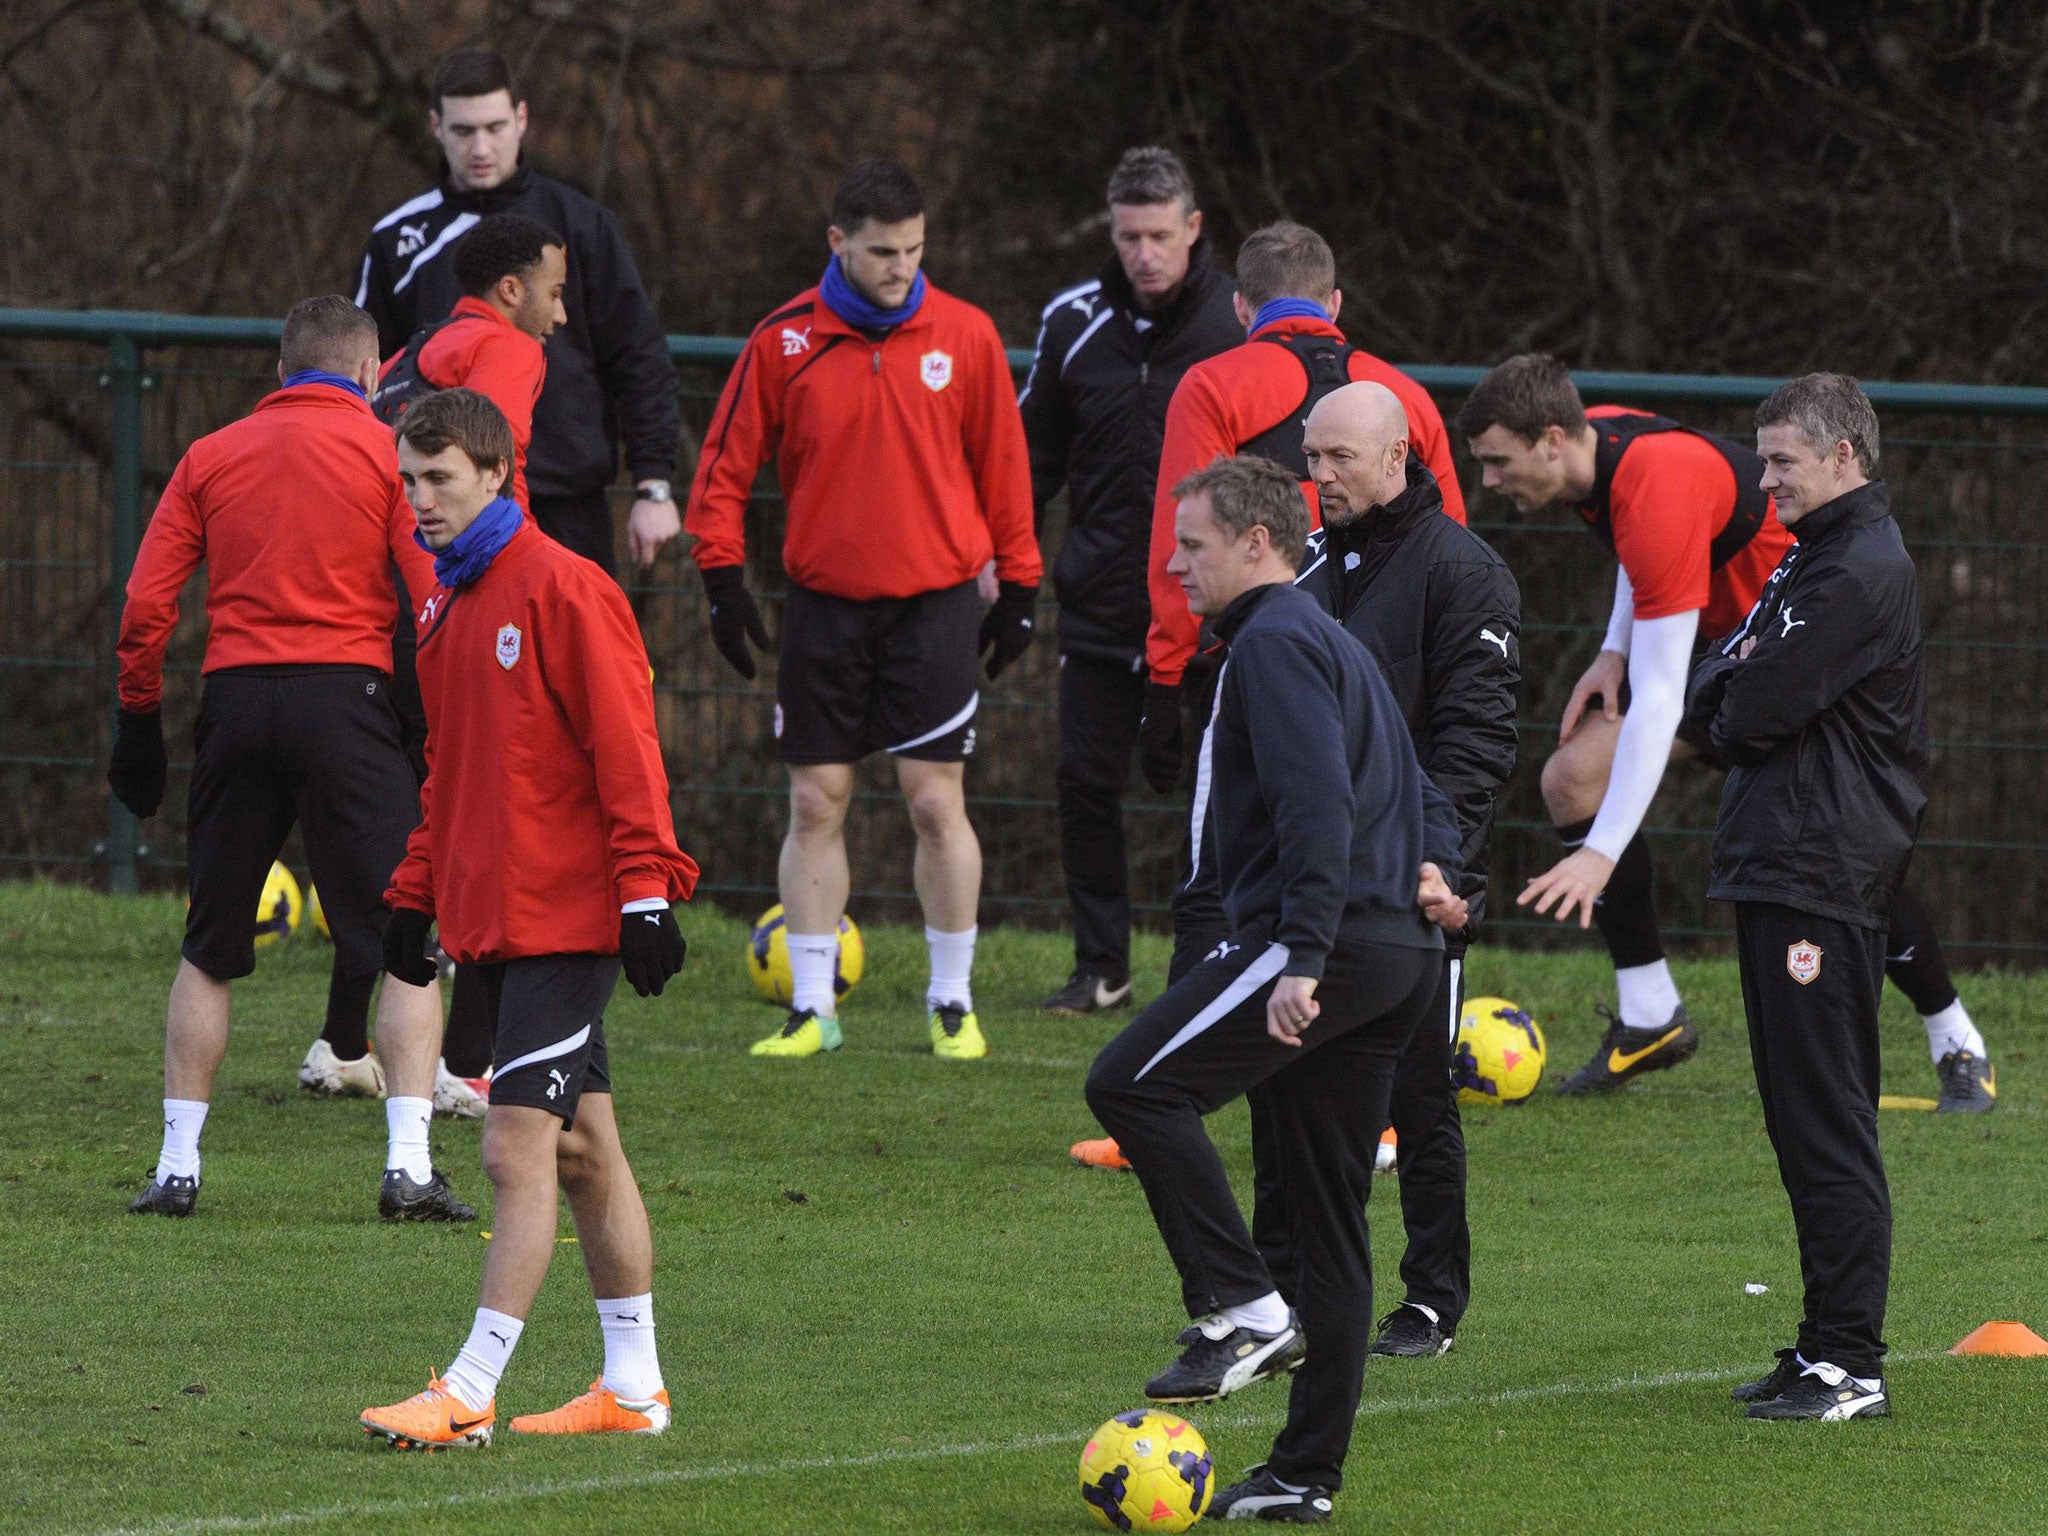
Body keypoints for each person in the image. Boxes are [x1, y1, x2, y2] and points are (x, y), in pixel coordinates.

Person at [1084, 455, 1469, 1524]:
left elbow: (1313, 805)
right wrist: (1437, 874)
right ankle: (1303, 1477)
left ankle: (1240, 1306)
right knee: (1327, 1214)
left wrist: (1298, 953)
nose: (1174, 563)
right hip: (1392, 956)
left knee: (1130, 1086)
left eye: (1192, 545)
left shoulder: (1274, 643)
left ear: (1256, 542)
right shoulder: (1326, 639)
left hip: (1327, 945)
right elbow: (1414, 783)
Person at [1461, 355, 1995, 1112]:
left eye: (1496, 462)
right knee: (1572, 777)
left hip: (1795, 669)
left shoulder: (1654, 483)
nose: (1488, 481)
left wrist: (1600, 856)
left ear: (1551, 440)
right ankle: (1650, 1014)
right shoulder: (1602, 440)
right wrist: (1614, 650)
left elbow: (1658, 701)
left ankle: (1957, 1039)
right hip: (1729, 664)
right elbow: (1638, 555)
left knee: (1848, 865)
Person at [360, 389, 696, 1447]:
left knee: (514, 1149)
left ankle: (467, 1390)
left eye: (440, 479)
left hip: (566, 921)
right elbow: (447, 774)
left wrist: (646, 893)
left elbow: (625, 748)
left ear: (499, 472)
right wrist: (416, 891)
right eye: (408, 482)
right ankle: (634, 1390)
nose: (419, 501)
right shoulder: (444, 605)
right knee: (585, 1150)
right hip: (491, 924)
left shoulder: (565, 589)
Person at [111, 296, 470, 1223]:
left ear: (279, 373)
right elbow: (431, 593)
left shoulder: (211, 455)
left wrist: (139, 721)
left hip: (235, 703)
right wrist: (441, 720)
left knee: (210, 948)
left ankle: (179, 1167)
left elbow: (148, 605)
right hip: (346, 704)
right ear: (368, 374)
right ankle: (408, 1168)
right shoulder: (388, 458)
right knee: (403, 940)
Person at [684, 159, 1041, 1061]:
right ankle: (812, 1008)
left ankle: (952, 1002)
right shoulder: (782, 341)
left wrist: (1022, 582)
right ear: (838, 244)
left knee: (931, 801)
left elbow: (1005, 468)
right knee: (816, 799)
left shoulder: (963, 335)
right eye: (883, 251)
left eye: (915, 249)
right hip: (825, 607)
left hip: (935, 605)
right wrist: (722, 581)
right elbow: (724, 471)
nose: (901, 266)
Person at [1681, 375, 1921, 1419]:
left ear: (1841, 458)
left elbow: (1745, 711)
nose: (1762, 478)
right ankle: (1821, 1344)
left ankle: (1849, 1364)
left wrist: (1727, 694)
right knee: (1797, 1115)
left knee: (1824, 1118)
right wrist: (1725, 691)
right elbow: (1717, 680)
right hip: (1783, 863)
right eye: (1761, 457)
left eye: (1779, 460)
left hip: (1818, 872)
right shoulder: (1810, 560)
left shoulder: (1855, 570)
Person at [1280, 381, 1519, 1360]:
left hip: (1409, 881)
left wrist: (1436, 865)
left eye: (1337, 458)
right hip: (1301, 874)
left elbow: (1473, 744)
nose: (1318, 476)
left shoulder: (1463, 573)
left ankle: (1429, 1299)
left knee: (1418, 1095)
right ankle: (1280, 1294)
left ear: (1397, 456)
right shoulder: (1300, 565)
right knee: (1283, 1085)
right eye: (1310, 456)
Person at [340, 210, 568, 1118]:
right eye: (553, 290)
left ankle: (343, 1041)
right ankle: (470, 1062)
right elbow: (491, 477)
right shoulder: (508, 352)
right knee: (482, 814)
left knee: (412, 822)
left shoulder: (419, 348)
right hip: (452, 600)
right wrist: (531, 589)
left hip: (382, 603)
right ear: (512, 291)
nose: (560, 313)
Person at [1018, 147, 1241, 1017]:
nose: (1143, 252)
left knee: (1217, 795)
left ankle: (1218, 963)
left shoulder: (1238, 319)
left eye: (1159, 234)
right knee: (1083, 783)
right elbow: (1030, 459)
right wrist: (1011, 570)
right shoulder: (1072, 319)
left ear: (1192, 229)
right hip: (1102, 606)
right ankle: (1101, 966)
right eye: (1127, 235)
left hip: (1216, 615)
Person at [1137, 220, 1466, 799]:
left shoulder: (1212, 386)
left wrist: (1165, 679)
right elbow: (1452, 544)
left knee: (1241, 861)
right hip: (1391, 667)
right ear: (1334, 304)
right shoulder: (1404, 397)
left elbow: (1183, 539)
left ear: (1242, 307)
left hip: (1256, 657)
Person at [354, 47, 681, 574]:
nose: (481, 147)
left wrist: (654, 483)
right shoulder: (398, 239)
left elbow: (637, 355)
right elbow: (362, 372)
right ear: (435, 125)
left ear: (522, 119)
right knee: (445, 654)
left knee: (575, 654)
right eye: (463, 131)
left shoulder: (581, 224)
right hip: (437, 504)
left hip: (567, 495)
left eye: (495, 126)